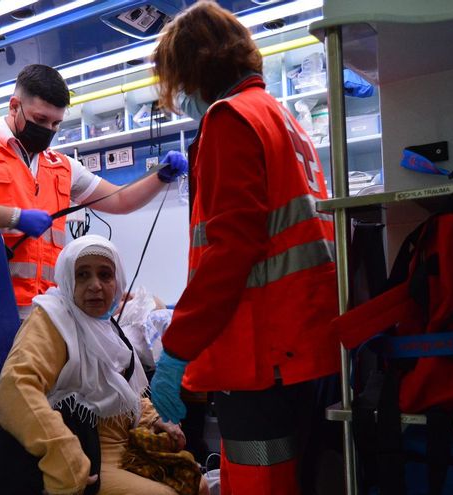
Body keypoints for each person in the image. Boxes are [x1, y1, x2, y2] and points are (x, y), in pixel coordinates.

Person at [148, 2, 340, 494]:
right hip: (304, 344)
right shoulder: (282, 118)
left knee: (262, 481)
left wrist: (177, 348)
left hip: (263, 355)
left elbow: (231, 250)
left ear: (192, 69)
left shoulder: (230, 119)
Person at [0, 235, 205, 495]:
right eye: (82, 275)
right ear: (67, 281)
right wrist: (66, 459)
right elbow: (15, 389)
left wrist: (155, 420)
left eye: (105, 275)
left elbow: (123, 391)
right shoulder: (51, 320)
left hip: (125, 446)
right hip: (88, 452)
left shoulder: (107, 326)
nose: (95, 285)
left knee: (200, 484)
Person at [0, 64, 187, 320]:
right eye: (40, 120)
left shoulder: (61, 166)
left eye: (56, 123)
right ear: (14, 106)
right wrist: (15, 217)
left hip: (48, 311)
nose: (48, 130)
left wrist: (159, 177)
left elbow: (119, 199)